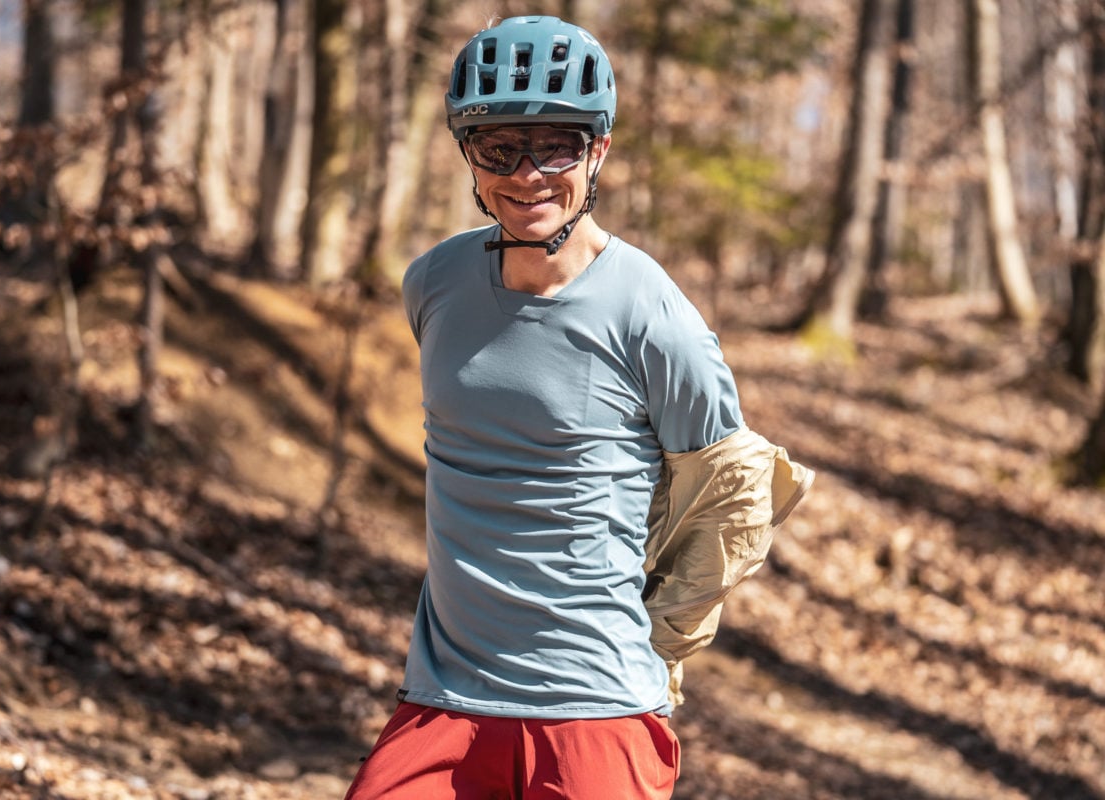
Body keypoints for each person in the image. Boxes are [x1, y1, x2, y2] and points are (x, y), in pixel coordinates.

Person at [345, 15, 812, 800]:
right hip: (443, 701)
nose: (527, 174)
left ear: (598, 151)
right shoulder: (433, 284)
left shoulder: (651, 313)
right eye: (499, 147)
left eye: (556, 146)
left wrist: (660, 644)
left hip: (596, 710)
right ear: (469, 154)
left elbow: (736, 495)